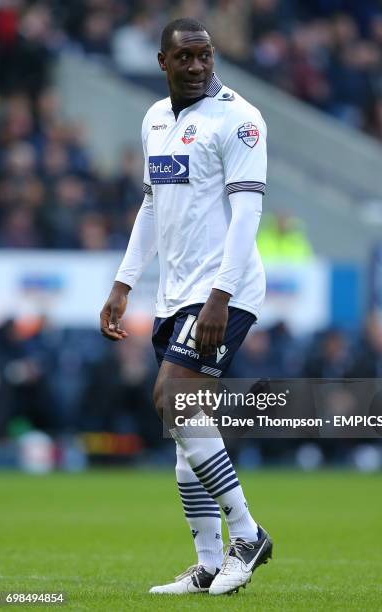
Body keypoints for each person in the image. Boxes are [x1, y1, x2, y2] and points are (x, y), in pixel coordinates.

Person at [100, 17, 272, 596]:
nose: (198, 66)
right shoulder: (154, 120)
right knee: (186, 425)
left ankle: (247, 536)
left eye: (206, 56)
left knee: (173, 398)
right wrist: (124, 284)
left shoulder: (240, 120)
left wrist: (221, 295)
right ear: (163, 62)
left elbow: (248, 214)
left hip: (226, 291)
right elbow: (152, 206)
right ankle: (206, 563)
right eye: (186, 58)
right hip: (175, 293)